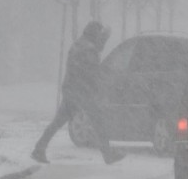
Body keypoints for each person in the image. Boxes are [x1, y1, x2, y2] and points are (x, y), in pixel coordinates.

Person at [32, 21, 123, 165]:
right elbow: (92, 72)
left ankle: (39, 148)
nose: (100, 37)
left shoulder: (80, 44)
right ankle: (108, 154)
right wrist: (100, 87)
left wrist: (105, 37)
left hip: (71, 89)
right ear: (94, 34)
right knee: (98, 121)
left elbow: (94, 51)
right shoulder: (88, 49)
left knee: (58, 122)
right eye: (99, 34)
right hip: (82, 92)